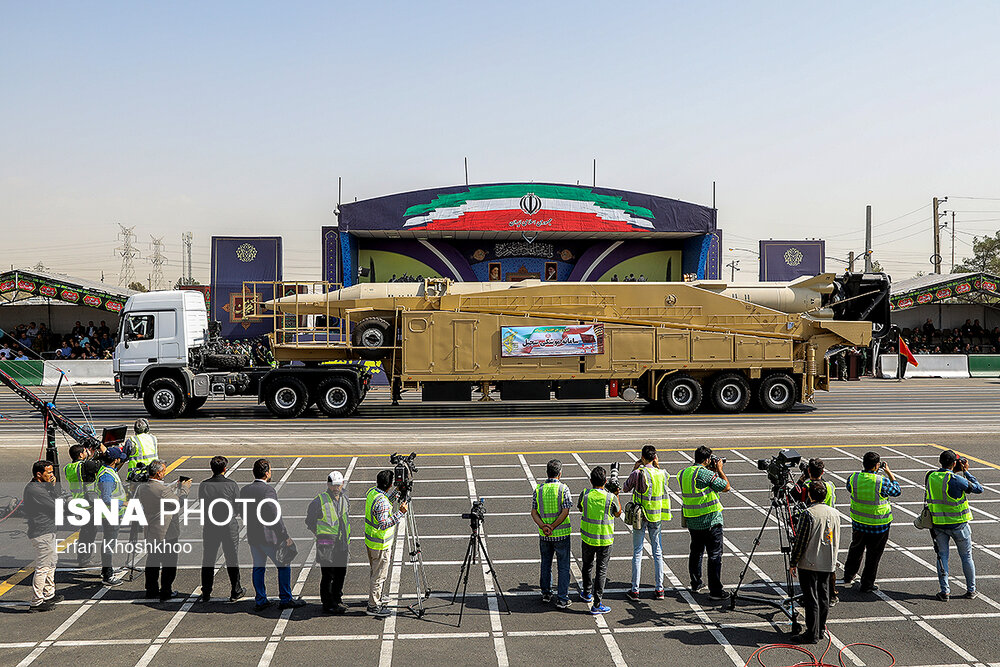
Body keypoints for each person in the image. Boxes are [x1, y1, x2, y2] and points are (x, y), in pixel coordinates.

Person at [240, 458, 305, 611]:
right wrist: (285, 536)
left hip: (253, 536)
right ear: (267, 473)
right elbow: (275, 516)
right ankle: (285, 598)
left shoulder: (245, 490)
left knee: (258, 567)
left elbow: (241, 511)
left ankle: (261, 599)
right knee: (283, 565)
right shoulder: (268, 491)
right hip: (269, 537)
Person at [927, 449, 984, 601]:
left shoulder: (930, 476)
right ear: (954, 463)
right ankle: (971, 590)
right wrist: (966, 472)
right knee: (966, 557)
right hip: (959, 525)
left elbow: (942, 482)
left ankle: (944, 591)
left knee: (942, 557)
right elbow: (978, 489)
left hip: (939, 524)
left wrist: (955, 470)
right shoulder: (956, 480)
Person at [789, 481, 841, 645]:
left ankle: (811, 633)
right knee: (823, 596)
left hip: (810, 562)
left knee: (811, 598)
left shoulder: (808, 514)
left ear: (810, 495)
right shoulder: (835, 513)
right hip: (828, 561)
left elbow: (801, 540)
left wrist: (793, 561)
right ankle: (820, 629)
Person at [843, 452, 900, 595]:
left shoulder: (854, 478)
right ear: (877, 466)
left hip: (859, 522)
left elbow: (849, 488)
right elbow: (897, 491)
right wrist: (889, 472)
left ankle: (848, 574)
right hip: (878, 525)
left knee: (856, 548)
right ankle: (867, 584)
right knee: (873, 555)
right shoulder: (881, 481)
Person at [679, 445, 731, 600]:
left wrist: (712, 472)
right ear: (708, 459)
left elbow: (701, 486)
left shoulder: (684, 473)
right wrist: (720, 470)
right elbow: (726, 487)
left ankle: (696, 583)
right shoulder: (705, 474)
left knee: (696, 552)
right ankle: (716, 591)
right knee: (715, 555)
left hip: (692, 520)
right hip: (710, 520)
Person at [137, 459, 191, 601]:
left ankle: (151, 589)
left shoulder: (142, 488)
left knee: (152, 561)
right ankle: (166, 590)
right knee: (169, 563)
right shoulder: (162, 490)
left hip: (150, 530)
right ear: (159, 473)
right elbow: (178, 503)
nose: (165, 473)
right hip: (166, 532)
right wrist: (184, 488)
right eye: (163, 471)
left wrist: (172, 488)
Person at [622, 444, 669, 600]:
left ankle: (635, 590)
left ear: (642, 458)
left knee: (637, 551)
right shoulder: (662, 473)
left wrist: (634, 468)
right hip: (656, 516)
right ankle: (659, 589)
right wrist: (658, 465)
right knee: (658, 552)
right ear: (655, 458)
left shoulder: (638, 473)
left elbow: (625, 488)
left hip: (640, 516)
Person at [198, 455, 245, 603]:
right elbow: (238, 506)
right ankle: (235, 590)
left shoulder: (204, 485)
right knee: (232, 558)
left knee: (208, 559)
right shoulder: (231, 484)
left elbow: (202, 504)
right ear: (225, 468)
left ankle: (206, 591)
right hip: (228, 526)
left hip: (211, 525)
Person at [793, 458, 839, 605]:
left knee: (811, 559)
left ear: (808, 472)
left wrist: (801, 478)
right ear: (823, 471)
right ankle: (831, 594)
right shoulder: (830, 485)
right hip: (829, 523)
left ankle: (811, 595)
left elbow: (793, 495)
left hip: (811, 523)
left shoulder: (807, 486)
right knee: (828, 560)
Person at [577, 466, 621, 615]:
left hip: (588, 537)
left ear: (590, 480)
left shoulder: (585, 494)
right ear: (606, 481)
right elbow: (617, 513)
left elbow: (580, 508)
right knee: (601, 570)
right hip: (605, 540)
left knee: (587, 566)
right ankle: (597, 603)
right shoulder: (610, 497)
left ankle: (586, 593)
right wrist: (616, 494)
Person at [306, 471, 351, 614]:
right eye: (333, 485)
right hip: (327, 545)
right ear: (328, 484)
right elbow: (310, 521)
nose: (336, 488)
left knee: (340, 573)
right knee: (328, 575)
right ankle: (328, 603)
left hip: (342, 543)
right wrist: (319, 535)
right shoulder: (319, 501)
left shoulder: (345, 499)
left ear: (342, 484)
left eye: (338, 485)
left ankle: (337, 598)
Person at [531, 459, 573, 608]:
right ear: (559, 473)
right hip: (561, 534)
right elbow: (565, 510)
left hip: (544, 535)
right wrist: (554, 526)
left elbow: (534, 512)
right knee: (563, 566)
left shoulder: (538, 489)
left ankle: (546, 593)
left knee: (546, 564)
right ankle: (562, 598)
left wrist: (544, 526)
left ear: (547, 473)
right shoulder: (563, 489)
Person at [365, 469, 407, 617]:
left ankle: (376, 597)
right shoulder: (382, 501)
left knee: (375, 572)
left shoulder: (373, 493)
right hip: (380, 545)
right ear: (389, 484)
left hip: (371, 542)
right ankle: (373, 606)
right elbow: (383, 523)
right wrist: (400, 512)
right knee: (379, 575)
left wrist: (396, 493)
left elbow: (383, 505)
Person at [24, 460, 63, 612]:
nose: (52, 476)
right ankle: (36, 601)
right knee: (43, 567)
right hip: (42, 533)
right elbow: (55, 507)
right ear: (39, 474)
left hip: (48, 530)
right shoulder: (36, 490)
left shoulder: (42, 487)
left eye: (52, 472)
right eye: (49, 473)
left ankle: (48, 594)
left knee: (51, 563)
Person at [92, 448, 129, 587]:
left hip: (111, 513)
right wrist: (123, 503)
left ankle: (105, 570)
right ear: (115, 460)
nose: (121, 459)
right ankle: (108, 575)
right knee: (109, 544)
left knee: (109, 543)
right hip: (110, 514)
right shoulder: (107, 476)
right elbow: (106, 498)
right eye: (119, 458)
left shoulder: (107, 470)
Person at [63, 444, 97, 568]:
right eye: (84, 451)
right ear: (81, 454)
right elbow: (96, 466)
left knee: (85, 533)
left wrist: (90, 456)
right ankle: (84, 560)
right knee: (88, 534)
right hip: (88, 504)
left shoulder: (68, 468)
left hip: (77, 503)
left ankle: (83, 557)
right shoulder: (84, 466)